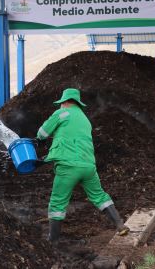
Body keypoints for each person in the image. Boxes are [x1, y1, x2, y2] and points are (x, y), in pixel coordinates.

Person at [36, 88, 129, 244]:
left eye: (61, 103)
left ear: (65, 102)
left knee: (58, 202)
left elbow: (42, 133)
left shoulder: (61, 113)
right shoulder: (85, 119)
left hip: (68, 166)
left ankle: (52, 241)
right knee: (99, 196)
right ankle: (120, 225)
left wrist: (42, 140)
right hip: (88, 166)